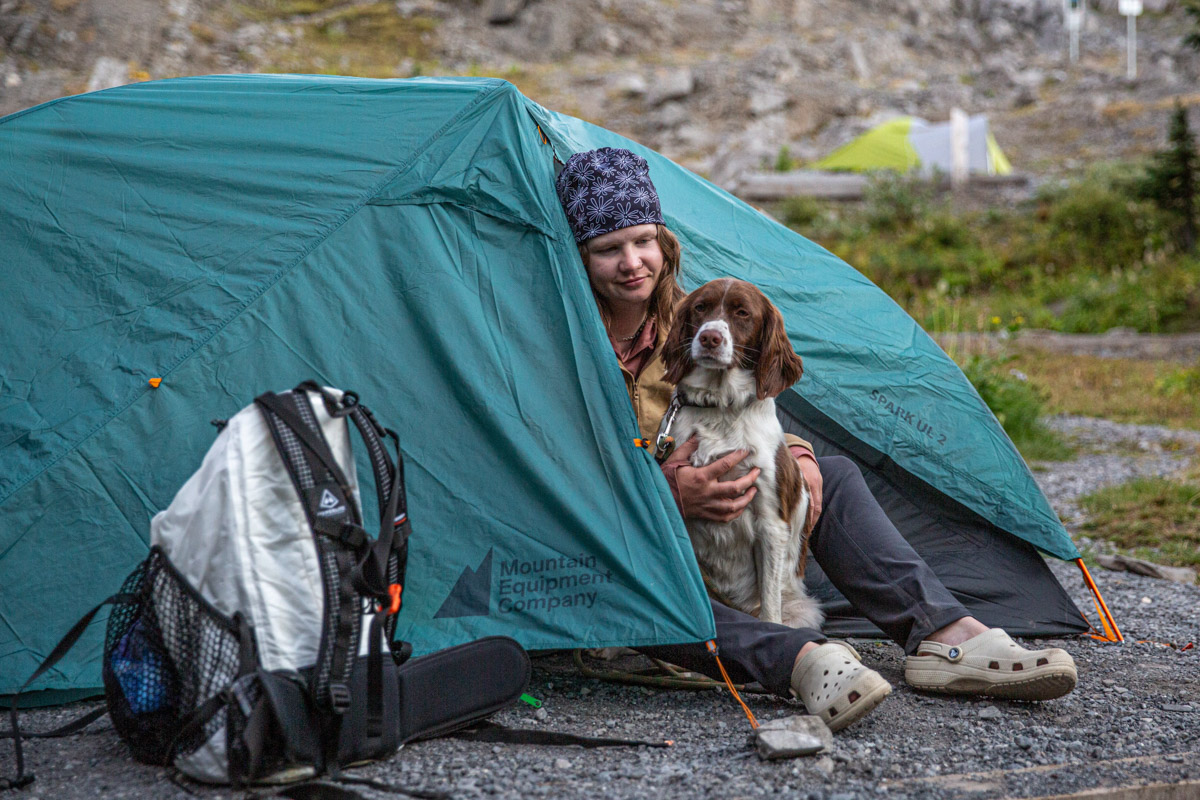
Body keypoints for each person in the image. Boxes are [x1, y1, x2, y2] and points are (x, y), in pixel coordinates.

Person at [554, 147, 1078, 732]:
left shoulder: (693, 321)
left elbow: (750, 415)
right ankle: (802, 661)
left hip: (730, 538)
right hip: (630, 544)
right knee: (641, 591)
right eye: (608, 249)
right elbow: (557, 478)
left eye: (643, 241)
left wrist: (795, 454)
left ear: (664, 244)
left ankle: (945, 637)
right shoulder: (562, 344)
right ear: (579, 258)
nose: (632, 262)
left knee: (835, 473)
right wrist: (665, 496)